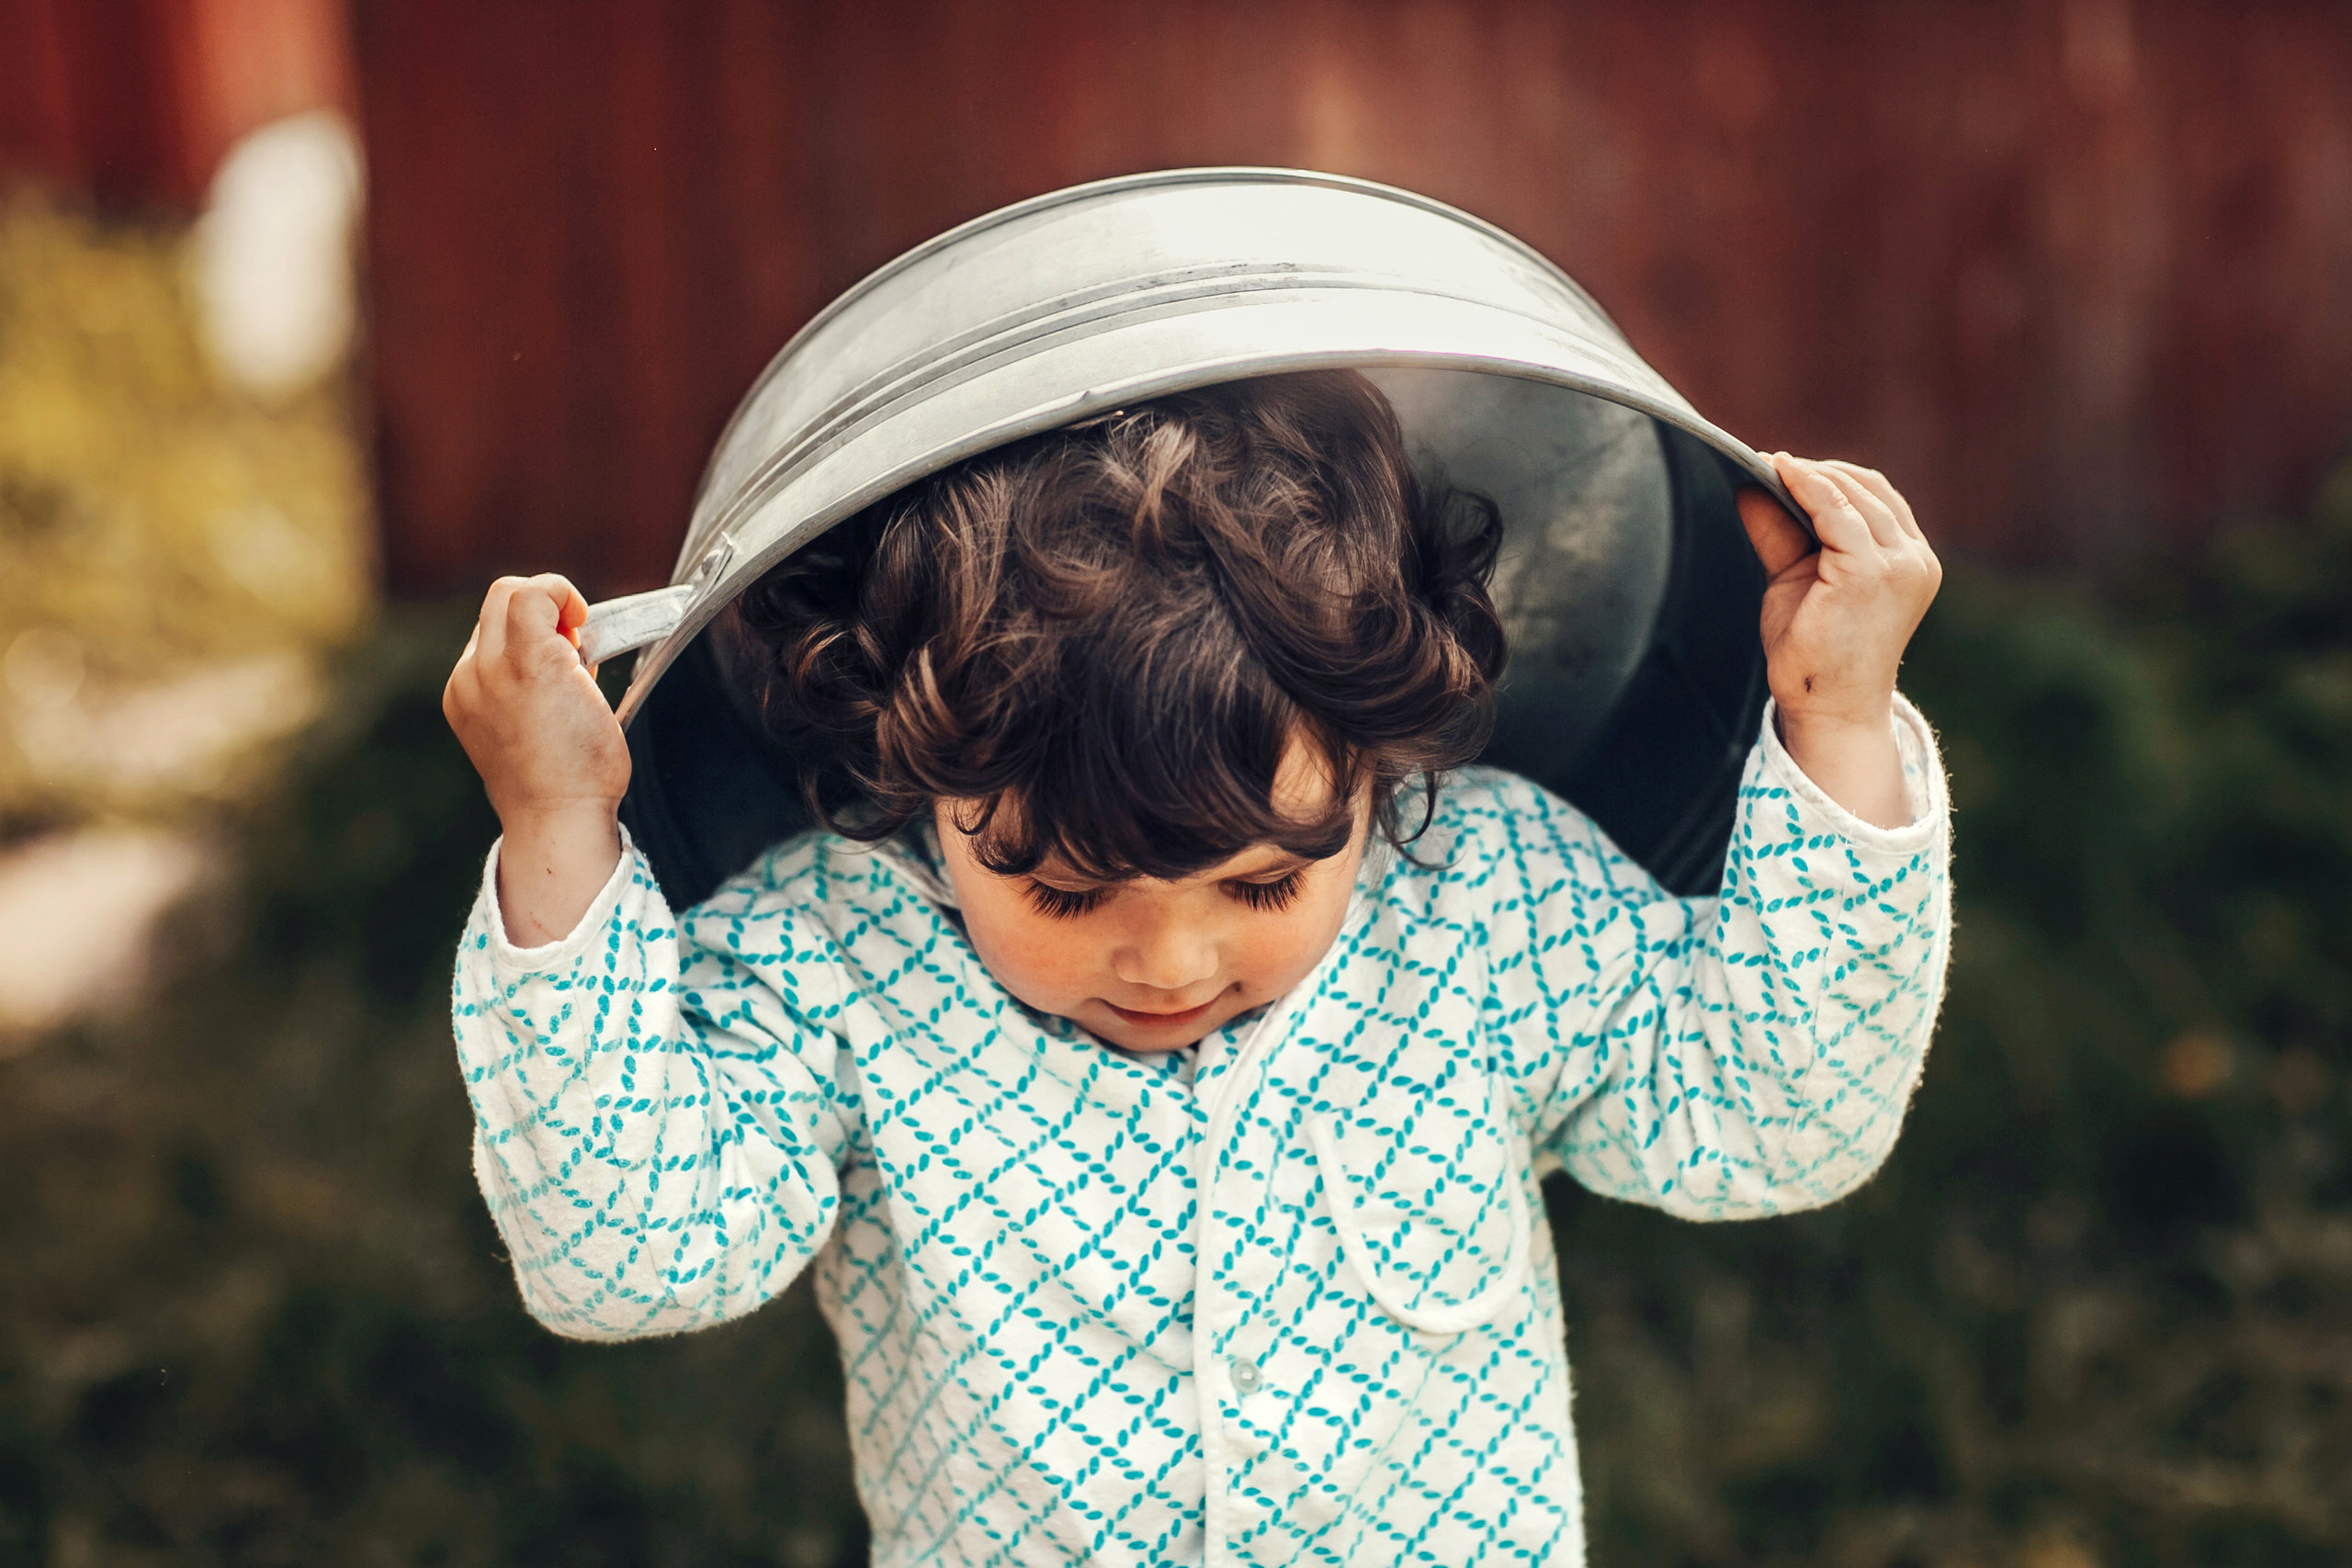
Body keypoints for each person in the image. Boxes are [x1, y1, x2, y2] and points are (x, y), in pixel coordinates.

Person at [443, 370, 1949, 1567]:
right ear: (915, 771)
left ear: (1379, 766)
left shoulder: (1485, 904)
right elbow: (624, 1256)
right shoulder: (839, 960)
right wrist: (558, 820)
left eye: (1265, 881)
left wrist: (1836, 716)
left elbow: (1780, 1118)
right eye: (1063, 888)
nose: (1170, 959)